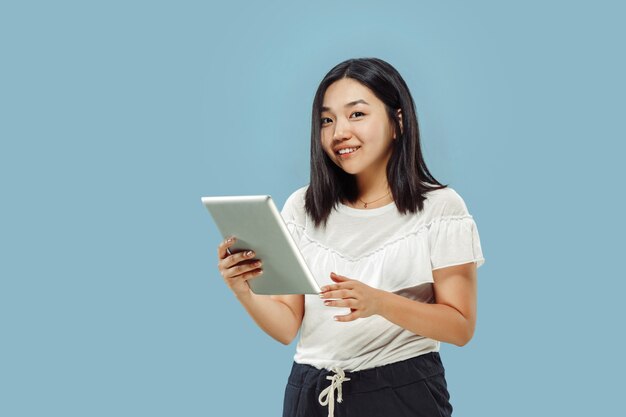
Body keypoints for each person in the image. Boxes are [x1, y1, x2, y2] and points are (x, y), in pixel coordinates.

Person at [216, 57, 485, 417]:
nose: (339, 132)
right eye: (327, 120)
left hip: (401, 392)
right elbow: (286, 326)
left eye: (356, 114)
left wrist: (379, 303)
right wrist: (242, 290)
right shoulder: (303, 206)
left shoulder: (440, 208)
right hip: (310, 393)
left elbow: (460, 326)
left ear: (398, 122)